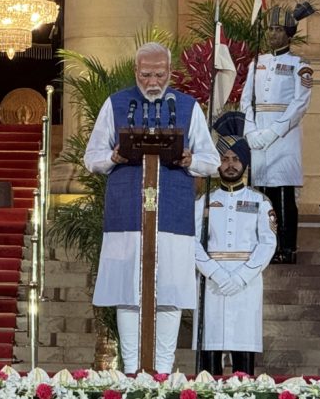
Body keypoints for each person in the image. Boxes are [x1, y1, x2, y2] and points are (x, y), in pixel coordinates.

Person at [83, 42, 220, 374]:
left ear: (170, 72)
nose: (153, 81)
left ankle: (162, 369)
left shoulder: (188, 107)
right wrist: (113, 157)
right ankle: (132, 371)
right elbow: (91, 158)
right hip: (126, 216)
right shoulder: (115, 104)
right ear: (135, 71)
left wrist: (191, 159)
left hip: (172, 215)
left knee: (170, 291)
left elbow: (212, 161)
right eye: (146, 74)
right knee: (127, 290)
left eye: (159, 74)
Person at [194, 112, 276, 376]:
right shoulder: (203, 202)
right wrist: (214, 272)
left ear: (245, 163)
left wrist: (241, 277)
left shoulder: (260, 202)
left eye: (235, 159)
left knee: (244, 353)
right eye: (224, 159)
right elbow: (192, 242)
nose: (230, 165)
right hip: (211, 283)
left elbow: (267, 243)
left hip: (246, 284)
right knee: (209, 356)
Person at [240, 5, 314, 264]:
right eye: (270, 29)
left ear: (289, 33)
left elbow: (299, 104)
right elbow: (246, 100)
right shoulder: (257, 63)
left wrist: (273, 132)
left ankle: (286, 247)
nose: (272, 34)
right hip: (257, 134)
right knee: (261, 191)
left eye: (278, 29)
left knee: (282, 192)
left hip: (284, 138)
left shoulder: (299, 65)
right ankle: (263, 244)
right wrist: (250, 131)